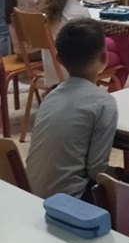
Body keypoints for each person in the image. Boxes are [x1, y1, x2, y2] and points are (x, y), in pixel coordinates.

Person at [26, 19, 118, 201]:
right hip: (70, 200)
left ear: (58, 59)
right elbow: (97, 170)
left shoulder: (50, 97)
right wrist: (120, 177)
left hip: (31, 194)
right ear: (104, 58)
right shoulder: (104, 103)